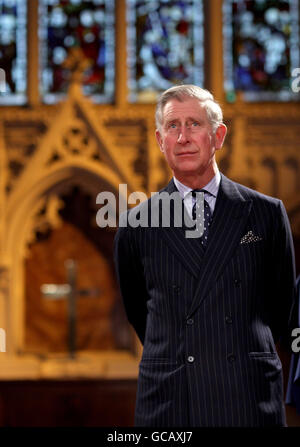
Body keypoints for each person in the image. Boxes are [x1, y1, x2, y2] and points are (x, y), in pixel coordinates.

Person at [114, 84, 297, 427]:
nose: (183, 137)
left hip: (248, 395)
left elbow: (281, 306)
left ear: (219, 136)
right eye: (172, 126)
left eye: (195, 124)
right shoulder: (136, 226)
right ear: (159, 140)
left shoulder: (267, 214)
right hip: (171, 401)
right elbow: (141, 314)